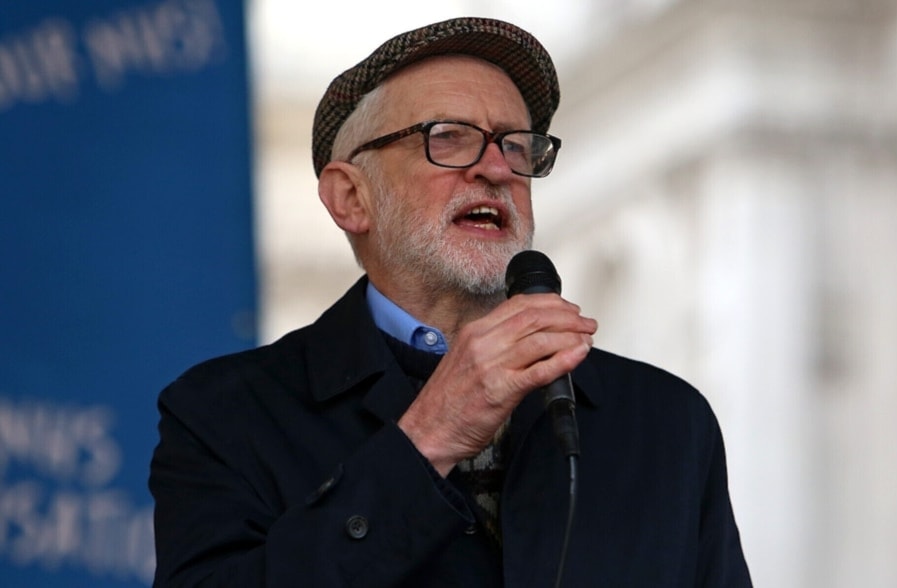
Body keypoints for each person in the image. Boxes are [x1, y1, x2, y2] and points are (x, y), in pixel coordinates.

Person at [149, 17, 752, 587]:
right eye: (449, 137)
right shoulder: (222, 417)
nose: (496, 168)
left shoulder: (667, 423)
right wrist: (428, 438)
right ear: (351, 198)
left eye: (517, 147)